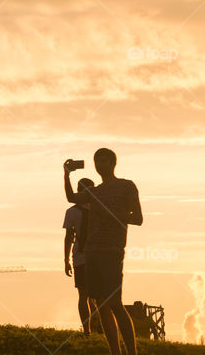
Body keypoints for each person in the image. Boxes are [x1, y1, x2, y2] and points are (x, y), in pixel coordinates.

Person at [65, 148, 143, 355]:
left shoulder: (126, 186)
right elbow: (72, 197)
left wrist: (110, 214)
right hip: (92, 252)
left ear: (113, 163)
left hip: (112, 250)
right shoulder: (93, 192)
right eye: (97, 161)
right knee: (101, 304)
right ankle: (114, 352)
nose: (100, 165)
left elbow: (138, 218)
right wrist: (66, 174)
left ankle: (132, 352)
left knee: (115, 302)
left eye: (104, 161)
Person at [64, 177, 95, 335]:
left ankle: (87, 331)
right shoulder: (99, 209)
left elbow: (69, 237)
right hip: (98, 256)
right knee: (98, 295)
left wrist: (66, 260)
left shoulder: (71, 212)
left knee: (83, 296)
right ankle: (99, 328)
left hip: (80, 257)